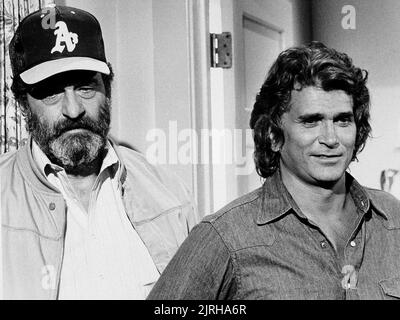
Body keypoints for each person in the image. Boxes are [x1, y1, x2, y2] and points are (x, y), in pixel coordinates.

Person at [148, 42, 400, 300]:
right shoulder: (226, 236)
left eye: (342, 120)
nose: (330, 138)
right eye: (311, 121)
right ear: (273, 134)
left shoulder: (391, 218)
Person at [0, 4, 198, 299]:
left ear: (108, 89)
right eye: (51, 91)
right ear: (22, 104)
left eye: (86, 87)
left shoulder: (169, 194)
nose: (73, 109)